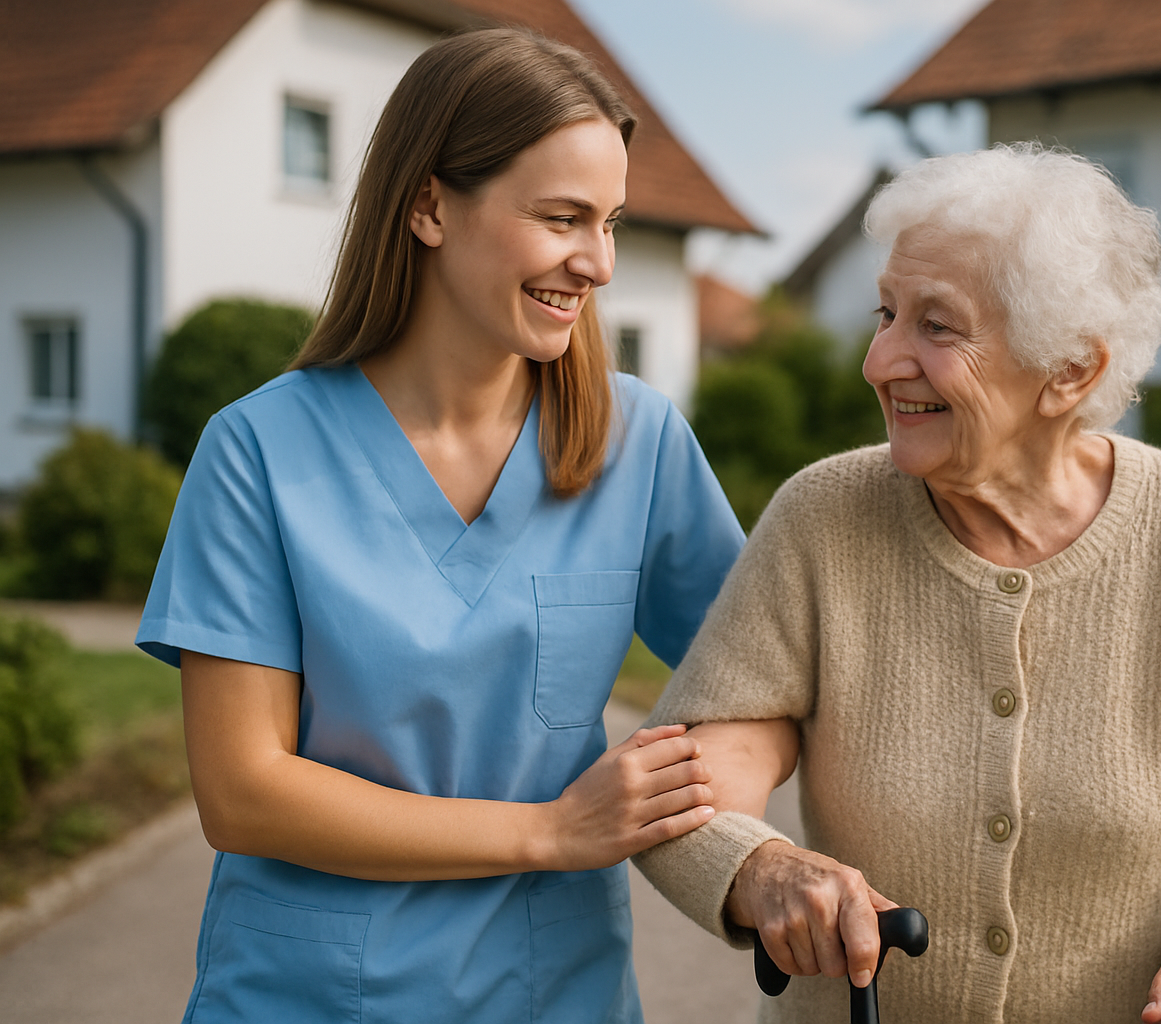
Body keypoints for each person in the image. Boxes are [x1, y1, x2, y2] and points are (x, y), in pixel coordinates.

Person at [634, 144, 1161, 1024]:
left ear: (1071, 371)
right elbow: (689, 781)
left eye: (937, 327)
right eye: (887, 313)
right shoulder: (822, 522)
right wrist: (760, 867)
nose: (879, 361)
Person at [135, 28, 743, 1024]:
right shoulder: (258, 451)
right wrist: (549, 831)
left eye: (611, 223)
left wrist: (761, 864)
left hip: (560, 998)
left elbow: (766, 682)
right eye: (562, 218)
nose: (598, 262)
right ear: (428, 207)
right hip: (305, 1000)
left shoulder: (639, 443)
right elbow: (242, 792)